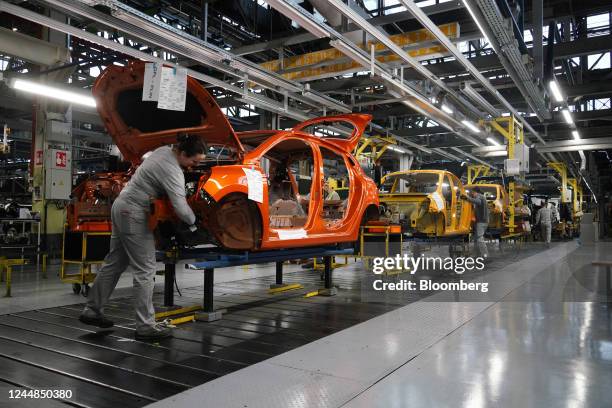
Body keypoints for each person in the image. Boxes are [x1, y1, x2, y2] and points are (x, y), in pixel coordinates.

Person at [79, 134, 206, 340]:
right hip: (133, 212)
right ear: (183, 153)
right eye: (194, 161)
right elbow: (181, 208)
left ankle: (92, 310)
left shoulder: (163, 150)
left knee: (114, 263)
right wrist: (195, 223)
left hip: (121, 206)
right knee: (145, 269)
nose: (193, 166)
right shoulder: (173, 170)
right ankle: (145, 326)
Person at [461, 187, 489, 258]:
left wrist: (467, 198)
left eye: (472, 193)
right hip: (481, 221)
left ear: (475, 192)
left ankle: (485, 255)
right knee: (476, 239)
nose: (472, 194)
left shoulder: (479, 196)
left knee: (479, 238)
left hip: (481, 222)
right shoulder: (481, 197)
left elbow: (478, 202)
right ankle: (478, 255)